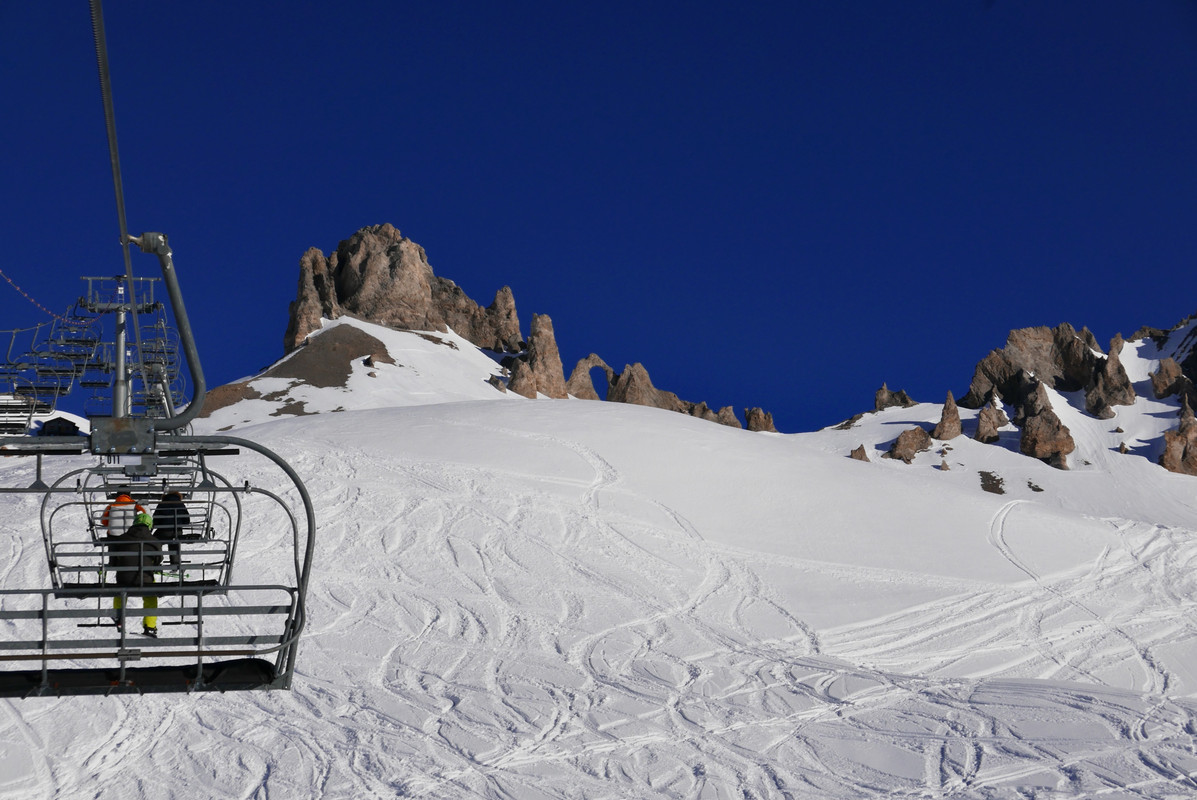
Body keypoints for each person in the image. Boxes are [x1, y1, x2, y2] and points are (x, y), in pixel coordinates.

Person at [106, 510, 161, 637]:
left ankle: (119, 617)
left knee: (120, 592)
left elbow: (113, 561)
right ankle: (150, 626)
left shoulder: (121, 539)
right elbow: (158, 561)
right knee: (151, 597)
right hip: (145, 579)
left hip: (124, 578)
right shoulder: (154, 541)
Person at [152, 491, 191, 567]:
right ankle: (175, 564)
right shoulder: (181, 504)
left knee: (155, 541)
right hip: (177, 530)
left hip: (164, 530)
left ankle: (156, 561)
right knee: (175, 542)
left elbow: (156, 520)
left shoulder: (162, 504)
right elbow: (186, 520)